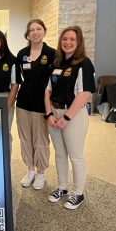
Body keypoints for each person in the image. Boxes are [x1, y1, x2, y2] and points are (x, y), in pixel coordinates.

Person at [44, 25, 96, 209]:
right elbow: (47, 90)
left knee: (75, 156)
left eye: (72, 39)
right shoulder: (56, 63)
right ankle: (62, 187)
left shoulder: (84, 63)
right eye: (64, 39)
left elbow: (84, 93)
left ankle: (78, 192)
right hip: (54, 113)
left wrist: (65, 118)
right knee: (59, 154)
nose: (67, 42)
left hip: (73, 115)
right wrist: (49, 114)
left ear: (78, 42)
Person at [16, 19, 55, 190]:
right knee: (25, 138)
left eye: (38, 29)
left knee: (41, 140)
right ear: (28, 34)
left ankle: (41, 173)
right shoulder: (22, 54)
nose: (35, 32)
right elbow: (18, 78)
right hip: (23, 102)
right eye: (31, 29)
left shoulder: (52, 53)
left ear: (45, 31)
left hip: (42, 104)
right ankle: (30, 170)